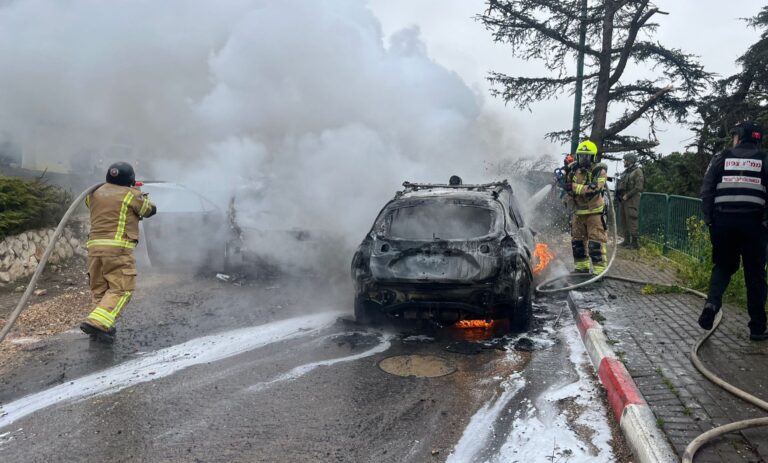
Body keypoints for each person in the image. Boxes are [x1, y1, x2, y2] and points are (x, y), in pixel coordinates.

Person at [699, 121, 768, 341]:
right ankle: (757, 328)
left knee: (723, 266)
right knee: (755, 274)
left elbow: (707, 189)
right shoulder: (764, 159)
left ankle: (711, 304)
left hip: (723, 222)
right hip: (754, 225)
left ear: (739, 137)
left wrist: (710, 220)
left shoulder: (721, 158)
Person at [80, 162, 156, 343]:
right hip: (117, 249)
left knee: (100, 288)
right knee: (122, 289)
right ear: (130, 179)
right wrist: (138, 192)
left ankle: (101, 327)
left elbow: (93, 203)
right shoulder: (131, 195)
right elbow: (149, 210)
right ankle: (98, 322)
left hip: (94, 249)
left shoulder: (94, 194)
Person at [565, 140, 609, 274]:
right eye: (581, 156)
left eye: (586, 156)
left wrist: (573, 187)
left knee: (596, 243)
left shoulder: (599, 171)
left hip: (594, 212)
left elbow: (594, 189)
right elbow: (568, 187)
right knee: (577, 242)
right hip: (578, 212)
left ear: (592, 157)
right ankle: (581, 268)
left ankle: (599, 271)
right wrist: (565, 183)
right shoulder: (573, 170)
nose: (583, 159)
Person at [616, 153, 644, 249]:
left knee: (632, 219)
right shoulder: (626, 171)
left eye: (625, 160)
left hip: (632, 199)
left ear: (630, 160)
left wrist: (627, 195)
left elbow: (639, 187)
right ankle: (626, 240)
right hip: (624, 199)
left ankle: (635, 243)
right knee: (623, 219)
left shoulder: (637, 171)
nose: (624, 162)